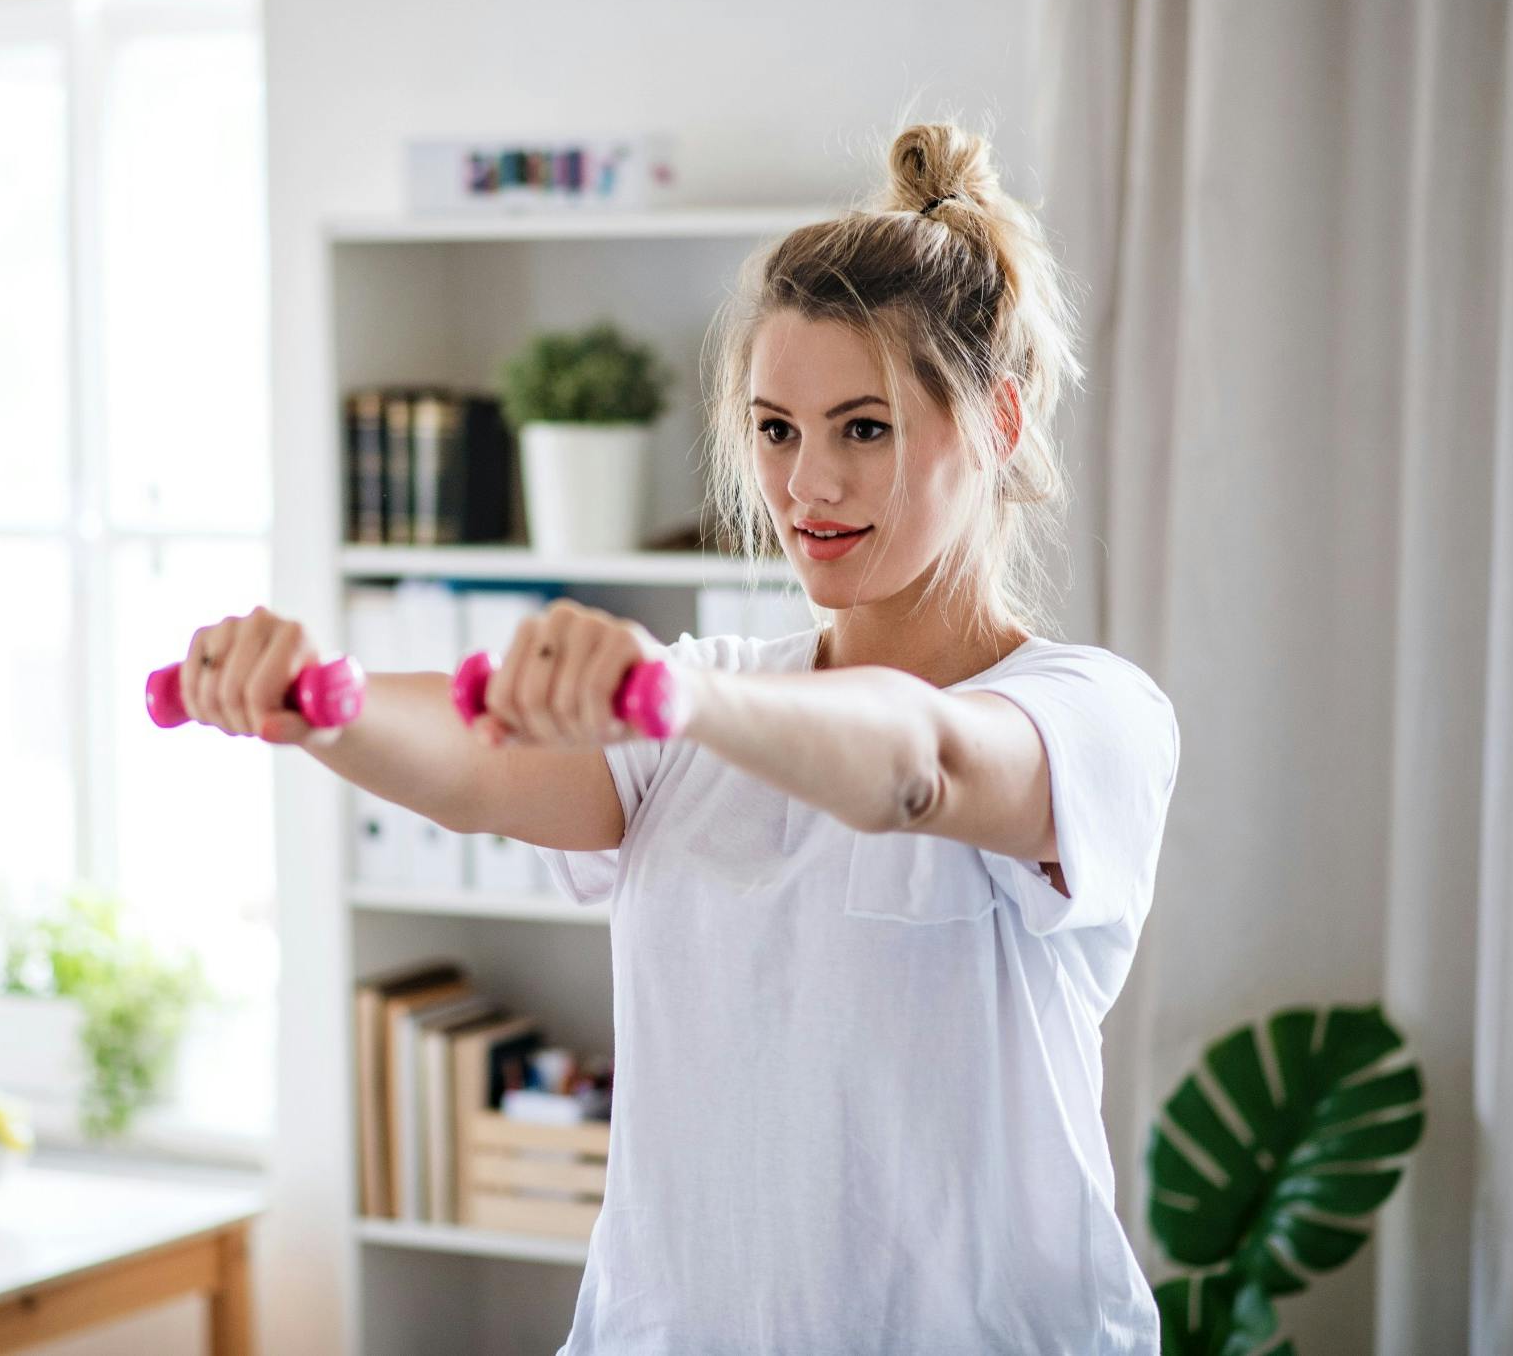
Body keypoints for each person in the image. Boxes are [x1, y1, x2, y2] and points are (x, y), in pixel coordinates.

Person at [176, 121, 1179, 1355]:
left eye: (863, 428)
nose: (808, 485)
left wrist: (682, 707)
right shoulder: (701, 692)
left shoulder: (1093, 714)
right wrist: (320, 700)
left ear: (999, 421)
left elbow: (925, 764)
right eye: (775, 429)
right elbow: (484, 765)